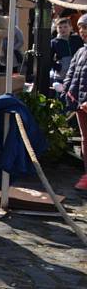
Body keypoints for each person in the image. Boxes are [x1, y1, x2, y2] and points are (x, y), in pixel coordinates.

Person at [60, 14, 87, 190]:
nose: (82, 31)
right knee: (85, 139)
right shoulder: (81, 51)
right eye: (80, 27)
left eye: (85, 27)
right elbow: (72, 73)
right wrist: (67, 90)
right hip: (79, 103)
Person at [51, 17, 84, 83]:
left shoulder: (77, 39)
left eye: (65, 27)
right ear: (57, 29)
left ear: (71, 28)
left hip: (76, 73)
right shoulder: (54, 42)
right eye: (60, 27)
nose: (63, 29)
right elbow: (49, 58)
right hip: (62, 75)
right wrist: (58, 67)